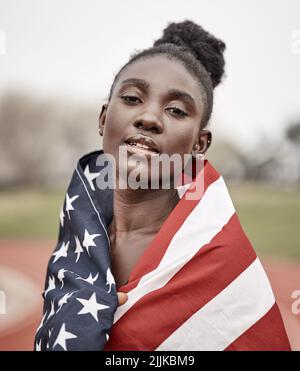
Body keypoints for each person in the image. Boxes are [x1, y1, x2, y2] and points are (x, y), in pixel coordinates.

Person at [34, 20, 291, 351]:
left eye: (175, 110)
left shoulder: (220, 261)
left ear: (200, 144)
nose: (149, 118)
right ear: (103, 118)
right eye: (131, 97)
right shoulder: (78, 229)